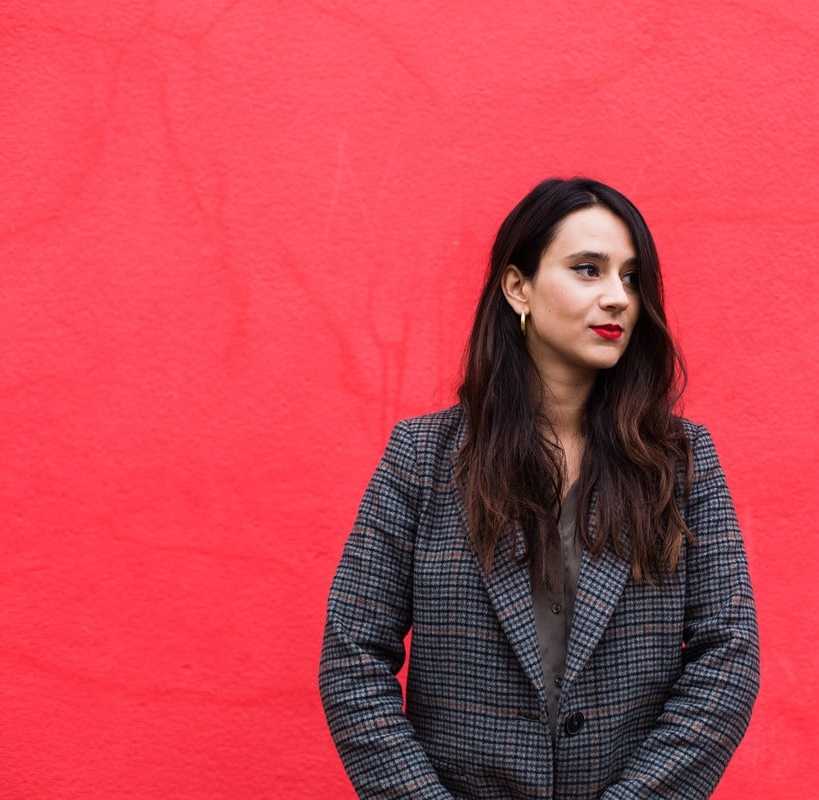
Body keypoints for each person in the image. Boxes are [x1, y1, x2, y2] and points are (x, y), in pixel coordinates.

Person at [319, 177, 759, 799]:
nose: (618, 298)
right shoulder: (423, 457)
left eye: (631, 278)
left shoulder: (680, 463)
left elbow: (728, 657)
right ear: (517, 286)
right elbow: (353, 654)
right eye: (588, 270)